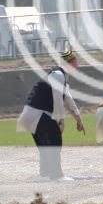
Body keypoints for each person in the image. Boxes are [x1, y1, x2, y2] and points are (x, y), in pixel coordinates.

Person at [16, 48, 84, 181]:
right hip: (38, 113)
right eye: (76, 61)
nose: (77, 65)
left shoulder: (61, 76)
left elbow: (68, 99)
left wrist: (78, 119)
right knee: (54, 140)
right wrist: (60, 120)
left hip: (30, 114)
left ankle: (45, 174)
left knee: (45, 145)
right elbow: (58, 99)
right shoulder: (58, 75)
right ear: (70, 62)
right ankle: (57, 175)